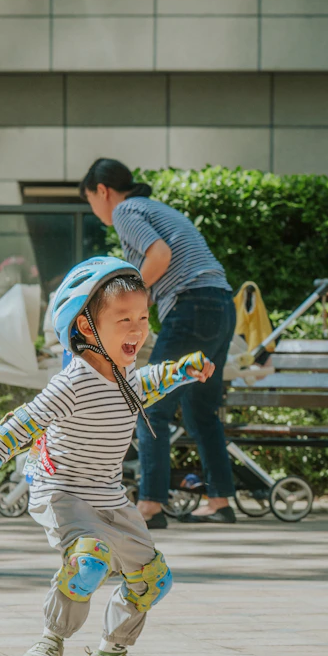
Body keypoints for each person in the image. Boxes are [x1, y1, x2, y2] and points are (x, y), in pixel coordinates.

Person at [0, 257, 213, 656]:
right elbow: (21, 423)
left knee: (152, 578)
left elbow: (147, 383)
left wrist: (182, 370)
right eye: (123, 318)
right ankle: (51, 638)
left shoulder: (123, 375)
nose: (137, 329)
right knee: (89, 561)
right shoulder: (72, 383)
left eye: (143, 317)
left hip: (109, 496)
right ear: (87, 328)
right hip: (63, 492)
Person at [79, 159, 236, 528]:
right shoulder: (154, 207)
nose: (95, 209)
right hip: (220, 305)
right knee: (201, 409)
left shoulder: (126, 210)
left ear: (102, 191)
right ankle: (220, 500)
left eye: (90, 200)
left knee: (149, 405)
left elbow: (160, 257)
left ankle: (150, 504)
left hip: (193, 305)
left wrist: (118, 303)